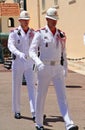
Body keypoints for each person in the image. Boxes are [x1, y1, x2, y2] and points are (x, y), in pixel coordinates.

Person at [29, 7, 79, 130]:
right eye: (52, 19)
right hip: (44, 67)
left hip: (57, 68)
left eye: (55, 19)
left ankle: (69, 123)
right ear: (47, 19)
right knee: (41, 96)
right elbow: (32, 50)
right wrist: (38, 61)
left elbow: (64, 52)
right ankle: (39, 123)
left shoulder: (60, 34)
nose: (54, 21)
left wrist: (65, 67)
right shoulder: (40, 33)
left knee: (63, 96)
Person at [8, 10, 36, 121]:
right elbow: (11, 46)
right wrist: (19, 54)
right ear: (19, 21)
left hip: (29, 63)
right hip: (18, 62)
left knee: (32, 87)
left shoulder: (33, 33)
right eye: (24, 20)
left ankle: (35, 112)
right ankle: (17, 110)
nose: (26, 22)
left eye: (27, 20)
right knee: (16, 86)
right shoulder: (14, 32)